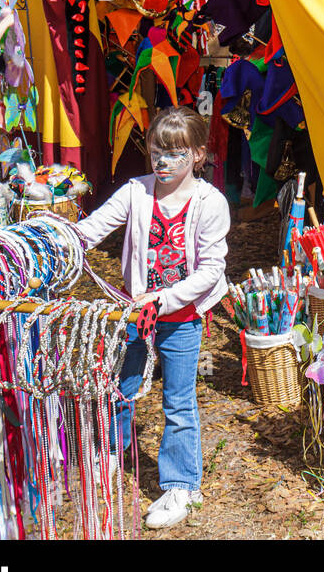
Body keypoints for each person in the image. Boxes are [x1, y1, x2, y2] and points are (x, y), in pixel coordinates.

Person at [76, 105, 230, 529]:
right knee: (122, 386)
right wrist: (55, 235)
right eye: (157, 151)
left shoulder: (210, 202)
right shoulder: (136, 192)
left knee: (178, 400)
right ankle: (111, 451)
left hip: (179, 318)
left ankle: (181, 483)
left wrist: (161, 302)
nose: (163, 162)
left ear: (198, 155)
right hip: (135, 312)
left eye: (175, 153)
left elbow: (211, 270)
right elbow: (92, 229)